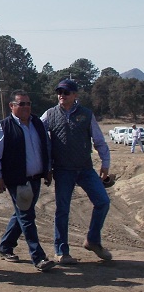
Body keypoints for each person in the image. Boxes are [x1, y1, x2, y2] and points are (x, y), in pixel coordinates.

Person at [41, 79, 112, 263]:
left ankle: (93, 240)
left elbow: (99, 140)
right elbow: (38, 135)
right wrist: (46, 167)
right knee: (62, 210)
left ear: (75, 95)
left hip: (85, 168)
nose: (61, 96)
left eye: (66, 92)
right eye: (59, 92)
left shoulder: (86, 114)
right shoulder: (49, 114)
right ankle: (61, 252)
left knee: (103, 202)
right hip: (63, 170)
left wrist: (105, 163)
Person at [0, 90, 55, 272]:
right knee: (27, 217)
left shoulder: (37, 124)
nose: (26, 107)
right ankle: (38, 257)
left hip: (36, 178)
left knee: (22, 214)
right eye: (21, 104)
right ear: (11, 106)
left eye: (28, 103)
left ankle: (5, 246)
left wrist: (48, 169)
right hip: (16, 180)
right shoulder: (3, 127)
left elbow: (46, 147)